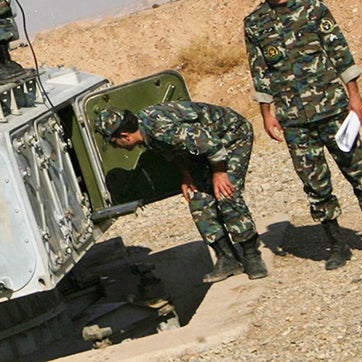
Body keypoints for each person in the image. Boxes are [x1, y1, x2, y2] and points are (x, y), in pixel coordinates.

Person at [244, 0, 362, 269]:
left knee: (358, 171)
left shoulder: (313, 9)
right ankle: (337, 246)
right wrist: (266, 114)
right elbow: (259, 71)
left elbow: (340, 52)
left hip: (333, 109)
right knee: (315, 184)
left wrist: (355, 99)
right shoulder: (255, 24)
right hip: (294, 120)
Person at [96, 102, 268, 282]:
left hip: (230, 138)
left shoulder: (159, 128)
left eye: (114, 143)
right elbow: (173, 151)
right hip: (204, 150)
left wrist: (219, 173)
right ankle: (227, 258)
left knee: (225, 193)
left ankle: (252, 255)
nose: (116, 147)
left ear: (124, 136)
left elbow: (211, 143)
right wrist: (187, 177)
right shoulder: (146, 132)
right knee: (197, 199)